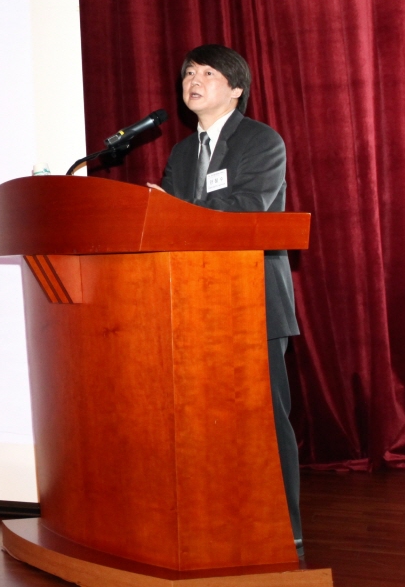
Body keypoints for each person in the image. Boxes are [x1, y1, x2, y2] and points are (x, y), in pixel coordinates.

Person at [147, 44, 302, 553]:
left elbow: (247, 205)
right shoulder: (181, 153)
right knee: (202, 421)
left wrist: (178, 210)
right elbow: (165, 224)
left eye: (208, 73)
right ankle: (217, 520)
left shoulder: (261, 141)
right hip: (193, 302)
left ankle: (285, 528)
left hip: (252, 302)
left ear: (236, 88)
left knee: (265, 419)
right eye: (188, 73)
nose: (193, 80)